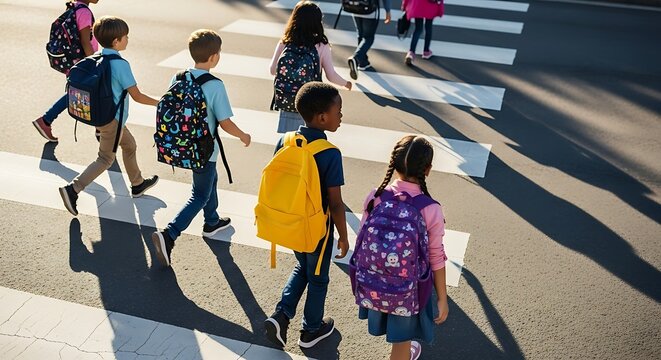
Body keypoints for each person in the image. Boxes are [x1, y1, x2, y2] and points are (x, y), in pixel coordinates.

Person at [151, 29, 252, 267]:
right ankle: (169, 234)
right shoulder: (215, 85)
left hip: (182, 145)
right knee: (200, 194)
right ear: (214, 57)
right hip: (204, 149)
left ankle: (212, 221)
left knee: (209, 181)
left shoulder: (178, 77)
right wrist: (243, 136)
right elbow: (225, 122)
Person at [264, 82, 349, 349]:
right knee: (319, 278)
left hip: (291, 222)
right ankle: (311, 330)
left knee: (303, 267)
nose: (341, 116)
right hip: (318, 229)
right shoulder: (330, 153)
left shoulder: (285, 140)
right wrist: (344, 237)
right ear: (322, 117)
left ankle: (281, 315)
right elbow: (335, 204)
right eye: (339, 111)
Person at [356, 135, 449, 360]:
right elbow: (436, 257)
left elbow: (362, 237)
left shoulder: (376, 196)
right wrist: (442, 298)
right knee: (401, 340)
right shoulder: (430, 209)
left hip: (374, 282)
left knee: (398, 332)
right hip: (409, 289)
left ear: (394, 163)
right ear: (427, 169)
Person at [58, 16, 160, 216]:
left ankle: (137, 183)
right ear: (116, 42)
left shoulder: (97, 58)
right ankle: (73, 189)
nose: (127, 39)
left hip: (107, 116)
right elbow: (137, 95)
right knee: (105, 158)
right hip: (112, 119)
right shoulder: (120, 64)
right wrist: (160, 103)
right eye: (125, 37)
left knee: (129, 145)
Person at [269, 1, 352, 134]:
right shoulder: (321, 45)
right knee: (310, 143)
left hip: (288, 100)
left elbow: (273, 70)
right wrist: (346, 83)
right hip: (312, 104)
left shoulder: (285, 42)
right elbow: (331, 75)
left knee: (289, 142)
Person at [33, 0, 100, 142]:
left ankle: (100, 129)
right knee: (78, 93)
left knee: (86, 93)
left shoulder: (76, 7)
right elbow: (85, 41)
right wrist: (92, 62)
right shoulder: (84, 11)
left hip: (74, 60)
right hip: (82, 61)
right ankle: (45, 120)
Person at [347, 0, 392, 80]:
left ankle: (363, 62)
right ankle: (356, 58)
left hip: (355, 7)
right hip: (369, 10)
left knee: (360, 34)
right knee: (368, 38)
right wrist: (387, 11)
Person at [402, 0, 443, 65]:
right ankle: (426, 51)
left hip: (417, 4)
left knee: (418, 29)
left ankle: (411, 52)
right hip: (431, 5)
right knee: (428, 28)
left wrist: (404, 5)